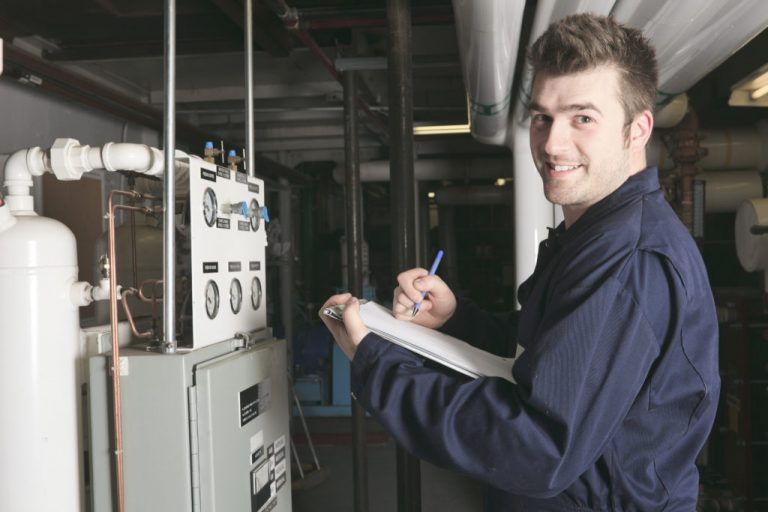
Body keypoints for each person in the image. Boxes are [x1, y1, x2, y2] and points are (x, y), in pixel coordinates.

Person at [320, 13, 719, 511]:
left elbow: (537, 447)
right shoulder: (595, 236)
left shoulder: (628, 261)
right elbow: (546, 357)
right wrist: (455, 321)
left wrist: (378, 364)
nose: (552, 143)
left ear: (637, 130)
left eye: (583, 118)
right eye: (542, 117)